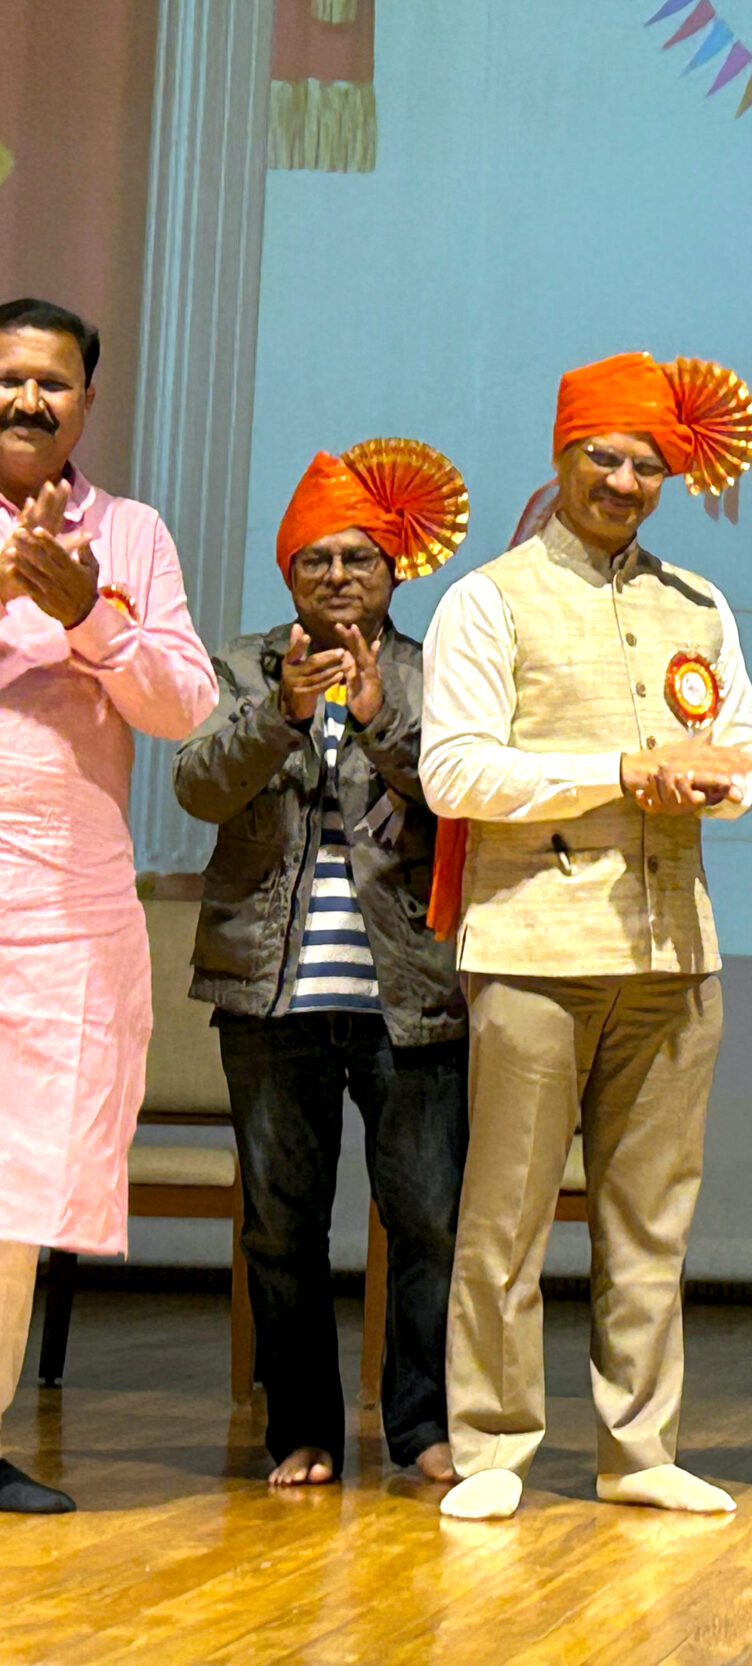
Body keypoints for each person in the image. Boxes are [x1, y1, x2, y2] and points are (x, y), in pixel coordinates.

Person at [421, 350, 752, 1522]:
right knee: (506, 1219)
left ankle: (640, 1448)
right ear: (561, 455)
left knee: (652, 1222)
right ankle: (489, 1447)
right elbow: (453, 772)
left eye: (646, 465)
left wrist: (720, 782)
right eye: (603, 458)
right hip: (533, 949)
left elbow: (751, 751)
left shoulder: (698, 603)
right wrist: (620, 771)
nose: (624, 482)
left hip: (676, 955)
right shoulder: (489, 598)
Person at [174, 439, 472, 1489]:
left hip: (414, 995)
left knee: (428, 1221)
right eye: (316, 559)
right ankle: (300, 1430)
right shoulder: (239, 666)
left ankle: (422, 1428)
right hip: (269, 994)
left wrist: (380, 719)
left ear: (393, 571)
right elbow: (198, 784)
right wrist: (283, 713)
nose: (338, 576)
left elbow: (464, 792)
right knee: (280, 1226)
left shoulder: (438, 669)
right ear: (288, 572)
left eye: (359, 558)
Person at [0, 298, 218, 1515]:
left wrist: (86, 611)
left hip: (62, 903)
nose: (28, 399)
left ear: (88, 401)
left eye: (53, 383)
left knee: (18, 1186)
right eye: (9, 377)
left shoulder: (129, 533)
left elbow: (184, 706)